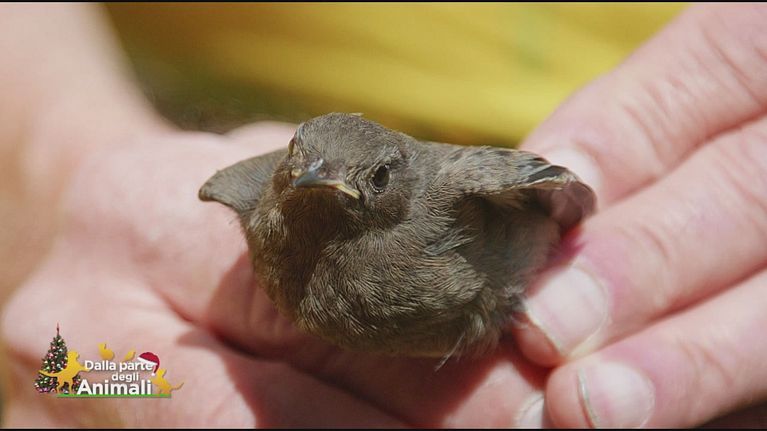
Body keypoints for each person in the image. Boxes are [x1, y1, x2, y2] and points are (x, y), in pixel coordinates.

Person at [1, 3, 766, 427]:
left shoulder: (464, 191)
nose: (318, 183)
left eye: (364, 180)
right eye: (301, 170)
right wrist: (60, 164)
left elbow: (571, 195)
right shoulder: (249, 196)